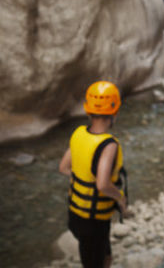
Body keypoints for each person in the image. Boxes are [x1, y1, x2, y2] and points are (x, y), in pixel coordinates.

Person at [59, 81, 131, 268]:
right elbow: (102, 184)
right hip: (93, 221)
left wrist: (83, 179)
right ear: (114, 112)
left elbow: (64, 168)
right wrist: (121, 199)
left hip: (75, 214)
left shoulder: (78, 133)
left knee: (105, 256)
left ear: (88, 110)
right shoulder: (108, 145)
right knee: (95, 262)